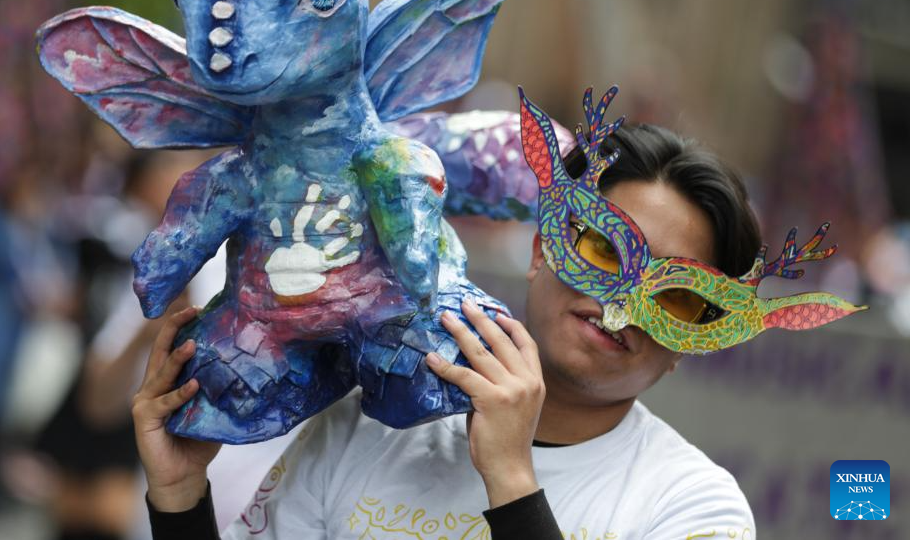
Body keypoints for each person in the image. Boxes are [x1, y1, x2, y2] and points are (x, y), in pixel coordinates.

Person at [133, 121, 761, 539]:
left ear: (692, 343)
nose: (620, 305)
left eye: (676, 296)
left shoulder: (694, 507)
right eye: (602, 250)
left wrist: (513, 482)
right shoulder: (369, 423)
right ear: (544, 248)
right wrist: (180, 498)